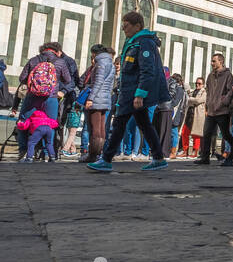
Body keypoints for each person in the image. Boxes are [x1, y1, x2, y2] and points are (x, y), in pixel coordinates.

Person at [87, 12, 170, 173]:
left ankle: (106, 159)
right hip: (128, 91)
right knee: (144, 124)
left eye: (127, 26)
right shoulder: (133, 42)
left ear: (137, 25)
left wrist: (140, 93)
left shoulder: (144, 43)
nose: (124, 30)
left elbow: (148, 70)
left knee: (119, 124)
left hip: (133, 93)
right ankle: (158, 158)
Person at [15, 43, 69, 159]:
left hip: (32, 97)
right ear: (56, 51)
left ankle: (24, 149)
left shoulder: (34, 60)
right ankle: (47, 152)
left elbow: (22, 78)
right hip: (51, 98)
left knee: (23, 121)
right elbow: (68, 80)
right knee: (50, 124)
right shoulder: (60, 62)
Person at [198, 52, 233, 164]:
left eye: (214, 61)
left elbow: (230, 91)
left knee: (226, 134)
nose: (212, 63)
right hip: (212, 111)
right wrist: (208, 105)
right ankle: (205, 158)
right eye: (212, 61)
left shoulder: (228, 75)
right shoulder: (210, 75)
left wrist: (223, 102)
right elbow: (208, 91)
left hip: (222, 111)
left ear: (221, 61)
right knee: (207, 133)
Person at [81, 44, 114, 163]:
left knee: (94, 129)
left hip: (97, 99)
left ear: (95, 53)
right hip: (105, 99)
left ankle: (93, 155)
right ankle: (98, 154)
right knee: (101, 128)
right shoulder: (110, 63)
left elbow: (98, 82)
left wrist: (90, 98)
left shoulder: (100, 64)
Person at [176, 75, 206, 159]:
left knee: (196, 134)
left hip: (197, 116)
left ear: (203, 85)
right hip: (189, 115)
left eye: (199, 83)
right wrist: (192, 100)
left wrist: (191, 99)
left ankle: (195, 152)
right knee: (184, 133)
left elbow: (198, 100)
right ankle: (185, 151)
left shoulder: (204, 92)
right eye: (196, 83)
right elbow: (191, 101)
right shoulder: (194, 92)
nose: (197, 85)